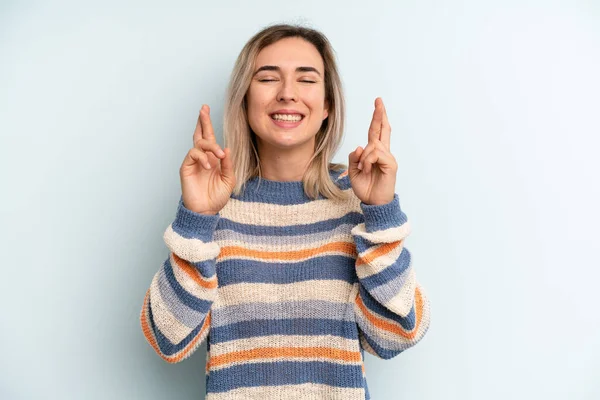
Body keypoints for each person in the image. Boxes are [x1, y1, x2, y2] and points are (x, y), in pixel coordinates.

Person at [140, 23, 431, 399]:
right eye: (267, 78)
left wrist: (380, 213)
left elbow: (397, 334)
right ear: (245, 100)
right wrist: (195, 219)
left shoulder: (358, 202)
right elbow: (167, 338)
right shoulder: (213, 204)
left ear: (327, 104)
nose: (287, 94)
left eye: (306, 79)